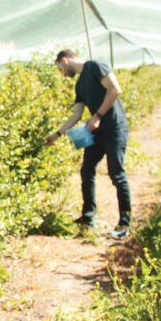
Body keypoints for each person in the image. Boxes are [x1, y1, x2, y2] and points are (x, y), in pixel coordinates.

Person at [44, 49, 132, 239]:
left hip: (114, 128)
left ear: (65, 60)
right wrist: (57, 134)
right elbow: (77, 114)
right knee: (87, 170)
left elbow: (115, 89)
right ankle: (87, 217)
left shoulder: (95, 66)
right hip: (96, 131)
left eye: (60, 68)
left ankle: (125, 224)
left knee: (117, 174)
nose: (61, 73)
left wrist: (98, 115)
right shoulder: (79, 84)